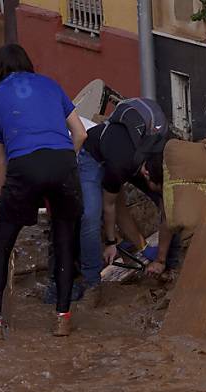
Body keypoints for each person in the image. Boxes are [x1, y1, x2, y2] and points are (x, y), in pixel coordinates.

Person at [0, 44, 86, 338]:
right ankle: (62, 319)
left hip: (23, 166)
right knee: (64, 240)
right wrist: (65, 164)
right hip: (63, 161)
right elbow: (81, 133)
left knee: (1, 243)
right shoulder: (51, 84)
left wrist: (5, 196)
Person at [79, 98, 174, 291]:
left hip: (132, 156)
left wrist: (161, 260)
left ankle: (165, 256)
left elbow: (168, 213)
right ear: (146, 174)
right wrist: (111, 242)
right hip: (93, 155)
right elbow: (112, 205)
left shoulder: (167, 153)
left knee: (168, 201)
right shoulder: (119, 165)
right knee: (90, 214)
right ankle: (92, 282)